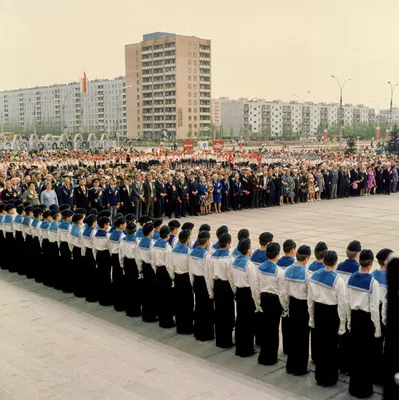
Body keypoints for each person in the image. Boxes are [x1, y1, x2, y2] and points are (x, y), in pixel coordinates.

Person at [308, 250, 346, 387]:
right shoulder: (338, 280)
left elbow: (310, 300)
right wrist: (342, 324)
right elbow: (342, 304)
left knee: (319, 344)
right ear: (335, 262)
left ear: (323, 261)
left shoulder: (314, 276)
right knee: (331, 347)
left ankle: (319, 375)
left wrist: (311, 317)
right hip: (331, 314)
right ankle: (329, 378)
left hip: (318, 311)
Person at [347, 249, 381, 399]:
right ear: (371, 263)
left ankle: (353, 387)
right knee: (366, 356)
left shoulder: (351, 278)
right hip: (366, 321)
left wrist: (348, 321)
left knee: (355, 353)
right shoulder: (373, 282)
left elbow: (347, 302)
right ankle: (364, 389)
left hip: (354, 318)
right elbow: (374, 308)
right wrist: (377, 329)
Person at [256, 242, 287, 365]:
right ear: (277, 255)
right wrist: (284, 307)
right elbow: (282, 292)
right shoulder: (279, 271)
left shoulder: (260, 268)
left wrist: (258, 302)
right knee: (273, 330)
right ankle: (271, 358)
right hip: (274, 301)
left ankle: (263, 356)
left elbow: (257, 287)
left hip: (263, 299)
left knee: (265, 328)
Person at [282, 244, 311, 376]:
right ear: (307, 259)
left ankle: (290, 366)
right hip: (303, 306)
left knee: (292, 336)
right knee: (303, 339)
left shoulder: (287, 270)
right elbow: (310, 295)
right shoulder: (307, 274)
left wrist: (286, 306)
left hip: (292, 304)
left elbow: (284, 292)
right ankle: (300, 368)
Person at [206, 232, 235, 349]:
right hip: (226, 286)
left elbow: (209, 274)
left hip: (217, 285)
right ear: (228, 244)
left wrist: (211, 289)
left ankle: (219, 339)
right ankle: (226, 341)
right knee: (227, 314)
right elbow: (231, 277)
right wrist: (234, 290)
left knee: (218, 313)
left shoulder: (211, 256)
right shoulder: (229, 258)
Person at [336, 240, 361, 374]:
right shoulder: (358, 269)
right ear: (358, 254)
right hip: (351, 306)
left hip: (339, 304)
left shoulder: (339, 265)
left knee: (341, 336)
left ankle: (341, 364)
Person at [371, 248, 393, 386]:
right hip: (384, 311)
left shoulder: (372, 274)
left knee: (375, 344)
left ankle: (374, 372)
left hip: (373, 310)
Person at [189, 230, 214, 341]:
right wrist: (210, 291)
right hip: (204, 283)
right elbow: (208, 275)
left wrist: (192, 284)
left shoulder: (192, 253)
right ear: (207, 241)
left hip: (196, 282)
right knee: (206, 310)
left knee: (198, 306)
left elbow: (190, 271)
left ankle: (197, 331)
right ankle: (205, 334)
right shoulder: (206, 256)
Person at [168, 229, 194, 335]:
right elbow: (191, 269)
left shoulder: (173, 250)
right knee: (187, 304)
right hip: (186, 278)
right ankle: (187, 327)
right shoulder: (188, 252)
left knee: (178, 303)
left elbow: (170, 267)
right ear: (187, 239)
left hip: (177, 278)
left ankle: (180, 327)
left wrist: (173, 277)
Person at [151, 225, 174, 328]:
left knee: (160, 295)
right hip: (165, 272)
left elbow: (152, 260)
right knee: (167, 297)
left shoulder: (155, 244)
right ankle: (167, 321)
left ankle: (161, 319)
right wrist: (172, 277)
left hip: (158, 270)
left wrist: (156, 270)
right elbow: (169, 264)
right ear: (168, 235)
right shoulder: (167, 246)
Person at [277, 238, 296, 354]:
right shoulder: (294, 264)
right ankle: (291, 348)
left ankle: (285, 347)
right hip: (290, 297)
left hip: (280, 296)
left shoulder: (278, 262)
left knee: (284, 324)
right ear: (293, 250)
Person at [119, 221, 141, 317]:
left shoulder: (123, 240)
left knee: (127, 285)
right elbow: (138, 257)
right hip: (134, 264)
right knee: (135, 288)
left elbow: (121, 254)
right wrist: (140, 270)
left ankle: (128, 309)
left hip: (126, 263)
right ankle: (134, 311)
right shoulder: (137, 241)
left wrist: (122, 265)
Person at [136, 222, 157, 323]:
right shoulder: (151, 243)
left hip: (144, 267)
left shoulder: (140, 242)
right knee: (152, 292)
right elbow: (153, 259)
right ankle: (151, 316)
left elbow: (138, 258)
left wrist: (140, 270)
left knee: (145, 291)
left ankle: (145, 314)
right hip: (150, 269)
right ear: (150, 232)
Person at [108, 216, 127, 312]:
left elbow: (109, 246)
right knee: (120, 281)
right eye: (125, 224)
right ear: (121, 225)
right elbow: (122, 250)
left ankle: (115, 303)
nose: (126, 225)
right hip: (119, 258)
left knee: (115, 279)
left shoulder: (111, 234)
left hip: (113, 256)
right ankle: (120, 304)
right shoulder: (122, 236)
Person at [93, 216, 112, 306]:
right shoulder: (107, 235)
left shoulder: (95, 233)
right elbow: (110, 248)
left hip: (98, 255)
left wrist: (95, 257)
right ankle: (107, 299)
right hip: (105, 255)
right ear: (105, 225)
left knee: (100, 276)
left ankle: (101, 298)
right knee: (106, 276)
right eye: (108, 224)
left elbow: (94, 248)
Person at [81, 214, 98, 303]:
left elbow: (83, 245)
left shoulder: (84, 231)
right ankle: (93, 296)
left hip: (87, 253)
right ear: (93, 222)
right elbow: (95, 246)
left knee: (88, 274)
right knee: (93, 274)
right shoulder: (94, 232)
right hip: (92, 253)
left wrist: (83, 254)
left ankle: (89, 295)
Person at [68, 213, 85, 297]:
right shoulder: (80, 231)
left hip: (74, 249)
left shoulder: (72, 229)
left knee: (76, 270)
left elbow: (70, 242)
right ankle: (81, 291)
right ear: (79, 220)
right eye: (82, 219)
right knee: (81, 271)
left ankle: (76, 290)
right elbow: (82, 243)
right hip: (80, 250)